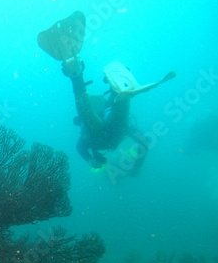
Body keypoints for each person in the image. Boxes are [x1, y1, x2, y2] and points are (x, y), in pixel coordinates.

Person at [38, 11, 176, 171]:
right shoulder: (108, 123)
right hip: (114, 129)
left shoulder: (86, 137)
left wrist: (91, 160)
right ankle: (117, 88)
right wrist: (138, 164)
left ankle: (77, 76)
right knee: (112, 111)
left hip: (98, 133)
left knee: (88, 114)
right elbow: (144, 140)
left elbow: (80, 148)